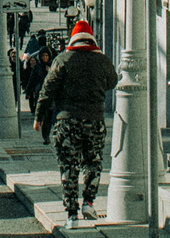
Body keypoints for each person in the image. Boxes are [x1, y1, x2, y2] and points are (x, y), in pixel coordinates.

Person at [33, 20, 118, 225]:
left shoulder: (62, 60)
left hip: (66, 121)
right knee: (93, 162)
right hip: (94, 121)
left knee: (68, 166)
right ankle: (88, 202)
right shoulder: (102, 61)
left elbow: (47, 90)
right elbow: (112, 82)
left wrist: (39, 117)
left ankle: (72, 215)